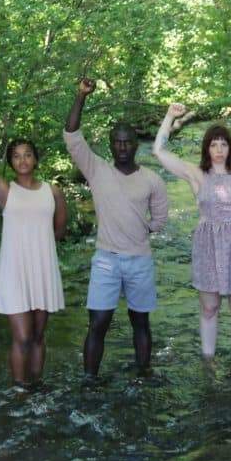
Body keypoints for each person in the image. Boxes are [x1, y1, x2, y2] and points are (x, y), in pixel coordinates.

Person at [64, 77, 169, 378]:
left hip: (140, 260)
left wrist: (140, 229)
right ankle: (90, 381)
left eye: (127, 141)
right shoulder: (97, 170)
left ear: (136, 145)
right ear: (111, 145)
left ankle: (143, 374)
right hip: (106, 260)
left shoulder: (152, 179)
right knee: (98, 322)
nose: (122, 146)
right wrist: (81, 95)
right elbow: (72, 135)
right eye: (117, 142)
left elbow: (160, 220)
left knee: (141, 323)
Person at [0, 105, 68, 387]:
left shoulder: (53, 192)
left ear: (36, 160)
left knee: (36, 337)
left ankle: (37, 388)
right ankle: (20, 393)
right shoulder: (4, 190)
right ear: (11, 163)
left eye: (28, 155)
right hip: (14, 272)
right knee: (21, 337)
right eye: (17, 156)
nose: (23, 160)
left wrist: (38, 247)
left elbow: (59, 231)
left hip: (43, 270)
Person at [153, 104, 231, 365]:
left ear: (230, 148)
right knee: (209, 307)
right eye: (213, 144)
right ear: (207, 148)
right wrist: (170, 116)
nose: (218, 150)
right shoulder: (196, 174)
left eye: (223, 144)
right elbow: (158, 151)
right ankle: (208, 361)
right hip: (208, 245)